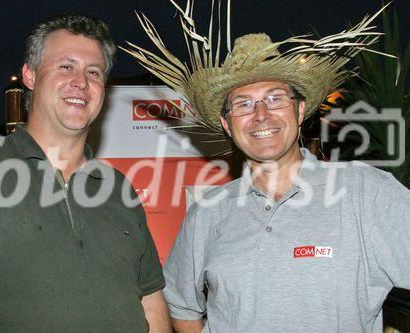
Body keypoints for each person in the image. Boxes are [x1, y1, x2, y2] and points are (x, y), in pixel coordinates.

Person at [123, 1, 410, 332]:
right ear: (227, 124)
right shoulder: (208, 213)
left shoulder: (366, 192)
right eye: (244, 104)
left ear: (300, 111)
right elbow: (181, 305)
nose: (261, 116)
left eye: (275, 98)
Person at [0, 14, 171, 332]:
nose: (81, 81)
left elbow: (150, 296)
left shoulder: (118, 188)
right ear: (30, 75)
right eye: (66, 66)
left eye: (94, 72)